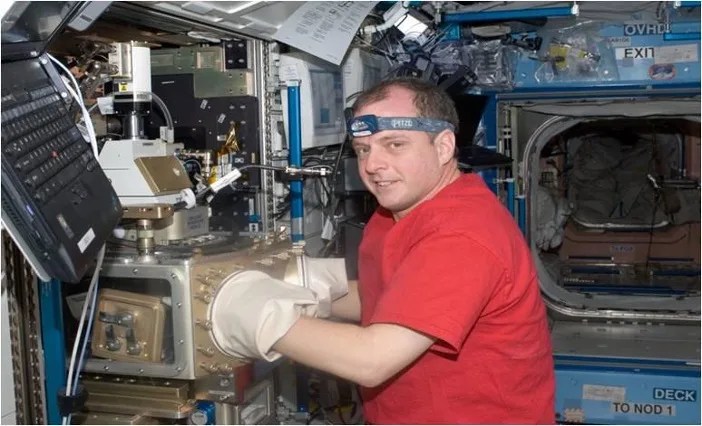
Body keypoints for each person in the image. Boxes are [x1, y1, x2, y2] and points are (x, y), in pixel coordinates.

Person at [212, 77, 555, 424]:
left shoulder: (462, 234)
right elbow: (392, 299)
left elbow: (371, 360)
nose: (372, 165)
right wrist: (310, 287)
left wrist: (250, 313)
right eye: (363, 149)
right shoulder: (397, 210)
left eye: (394, 145)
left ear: (443, 146)